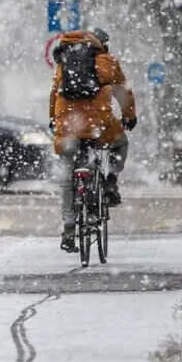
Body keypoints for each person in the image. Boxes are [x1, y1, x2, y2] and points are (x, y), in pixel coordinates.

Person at [48, 27, 138, 252]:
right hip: (98, 125)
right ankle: (109, 180)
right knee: (120, 142)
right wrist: (129, 116)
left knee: (68, 179)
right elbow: (123, 92)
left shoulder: (64, 61)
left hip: (68, 126)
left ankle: (69, 229)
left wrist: (54, 119)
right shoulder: (107, 62)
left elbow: (54, 93)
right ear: (102, 44)